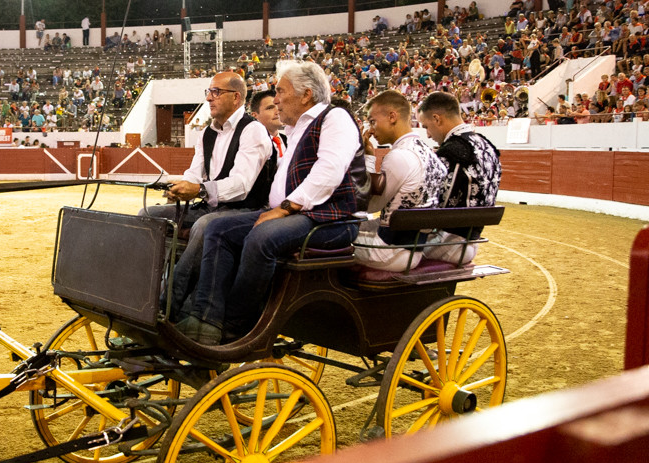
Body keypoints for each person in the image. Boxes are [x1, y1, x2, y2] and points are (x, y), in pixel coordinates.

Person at [177, 60, 368, 344]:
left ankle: (237, 324)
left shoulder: (335, 118)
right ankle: (206, 320)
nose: (275, 99)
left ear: (306, 94)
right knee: (217, 229)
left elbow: (328, 172)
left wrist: (285, 208)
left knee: (262, 237)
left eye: (280, 91)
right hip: (298, 216)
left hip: (331, 219)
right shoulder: (297, 130)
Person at [142, 71, 273, 317]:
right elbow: (195, 172)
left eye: (216, 92)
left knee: (204, 225)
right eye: (209, 92)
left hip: (246, 210)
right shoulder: (207, 133)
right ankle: (146, 292)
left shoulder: (252, 130)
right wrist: (179, 187)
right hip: (213, 206)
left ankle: (168, 303)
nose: (209, 98)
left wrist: (200, 189)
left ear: (236, 98)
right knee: (148, 214)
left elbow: (242, 185)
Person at [353, 90, 447, 271]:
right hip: (414, 249)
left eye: (373, 121)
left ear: (392, 117)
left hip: (388, 251)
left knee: (327, 239)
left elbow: (369, 206)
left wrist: (368, 160)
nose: (371, 130)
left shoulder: (399, 156)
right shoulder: (430, 154)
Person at [416, 91, 501, 264]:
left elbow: (434, 204)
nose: (429, 135)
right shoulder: (487, 145)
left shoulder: (451, 152)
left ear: (437, 119)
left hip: (445, 243)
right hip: (472, 241)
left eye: (426, 127)